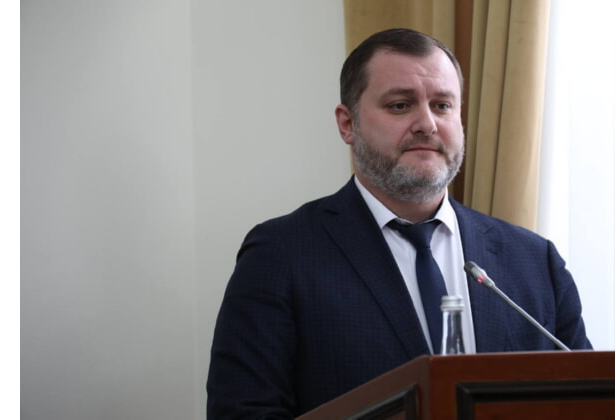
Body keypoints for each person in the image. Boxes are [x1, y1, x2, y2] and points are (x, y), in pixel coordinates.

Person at [206, 28, 591, 419]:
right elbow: (243, 412)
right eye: (400, 105)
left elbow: (590, 401)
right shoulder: (281, 254)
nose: (427, 124)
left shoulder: (535, 261)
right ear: (348, 124)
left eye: (442, 105)